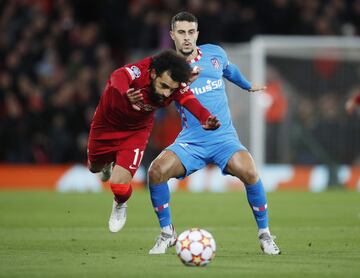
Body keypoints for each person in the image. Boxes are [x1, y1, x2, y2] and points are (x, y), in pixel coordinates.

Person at [148, 12, 281, 255]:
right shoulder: (167, 68)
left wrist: (247, 85)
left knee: (250, 171)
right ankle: (167, 232)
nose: (186, 38)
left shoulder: (215, 53)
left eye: (190, 32)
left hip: (224, 140)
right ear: (172, 35)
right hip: (191, 141)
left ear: (197, 34)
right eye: (181, 32)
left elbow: (229, 70)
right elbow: (160, 100)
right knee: (156, 172)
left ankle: (265, 235)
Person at [87, 49, 220, 233]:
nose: (167, 94)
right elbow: (118, 75)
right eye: (164, 86)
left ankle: (119, 204)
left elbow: (188, 99)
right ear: (153, 73)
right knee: (94, 168)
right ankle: (106, 166)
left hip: (135, 132)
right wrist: (125, 92)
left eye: (171, 89)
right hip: (106, 124)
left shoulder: (174, 84)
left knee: (118, 185)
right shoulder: (140, 70)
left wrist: (205, 118)